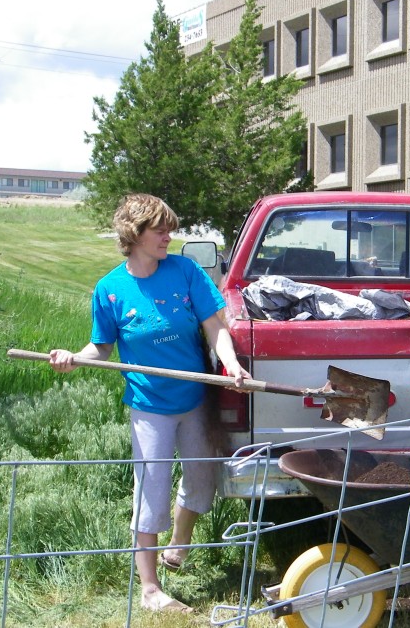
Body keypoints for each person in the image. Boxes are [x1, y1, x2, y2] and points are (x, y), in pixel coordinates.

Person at [49, 193, 251, 614]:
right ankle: (150, 589)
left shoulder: (185, 270)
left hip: (195, 398)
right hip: (149, 404)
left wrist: (231, 364)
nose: (168, 236)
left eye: (169, 228)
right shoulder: (110, 290)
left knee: (201, 480)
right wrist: (74, 358)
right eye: (159, 229)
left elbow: (215, 326)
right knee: (151, 492)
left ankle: (179, 544)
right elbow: (100, 348)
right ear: (133, 233)